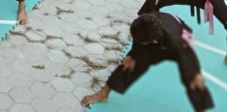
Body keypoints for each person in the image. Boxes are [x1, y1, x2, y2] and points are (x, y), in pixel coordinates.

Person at [80, 13, 213, 112]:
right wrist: (132, 55)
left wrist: (195, 72)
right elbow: (138, 41)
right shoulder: (143, 23)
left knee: (193, 79)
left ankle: (201, 109)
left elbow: (188, 53)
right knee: (131, 61)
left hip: (180, 44)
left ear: (152, 41)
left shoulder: (174, 40)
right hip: (157, 36)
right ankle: (104, 93)